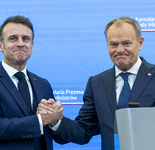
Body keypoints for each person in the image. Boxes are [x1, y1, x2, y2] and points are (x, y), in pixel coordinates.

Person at [37, 16, 155, 150]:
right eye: (114, 44)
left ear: (140, 43)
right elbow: (83, 131)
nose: (120, 50)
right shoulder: (97, 83)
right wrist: (55, 120)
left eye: (126, 43)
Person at [0, 15, 65, 150]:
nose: (20, 43)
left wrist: (54, 121)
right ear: (0, 45)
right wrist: (41, 120)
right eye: (13, 38)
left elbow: (59, 137)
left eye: (25, 39)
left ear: (32, 46)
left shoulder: (43, 84)